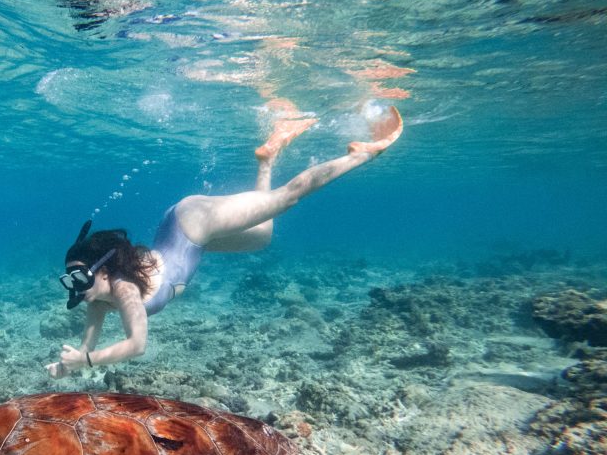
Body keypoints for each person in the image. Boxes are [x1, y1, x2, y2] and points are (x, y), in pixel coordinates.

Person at [45, 101, 403, 378]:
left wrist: (88, 361)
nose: (75, 287)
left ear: (104, 269)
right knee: (262, 237)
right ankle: (269, 156)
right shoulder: (97, 300)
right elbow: (83, 347)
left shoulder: (123, 290)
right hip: (190, 241)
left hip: (193, 222)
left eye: (80, 277)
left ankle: (362, 154)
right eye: (69, 280)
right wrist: (68, 366)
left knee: (288, 198)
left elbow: (137, 345)